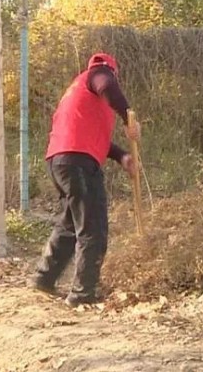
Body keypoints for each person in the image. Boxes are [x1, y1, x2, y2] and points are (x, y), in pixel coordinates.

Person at [29, 52, 141, 307]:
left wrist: (122, 156)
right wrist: (128, 117)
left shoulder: (80, 92)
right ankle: (82, 294)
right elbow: (107, 84)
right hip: (78, 162)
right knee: (93, 227)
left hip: (61, 161)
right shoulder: (99, 75)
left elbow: (93, 137)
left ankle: (43, 278)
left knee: (70, 223)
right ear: (112, 71)